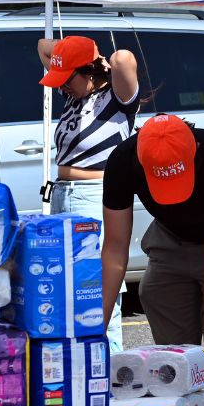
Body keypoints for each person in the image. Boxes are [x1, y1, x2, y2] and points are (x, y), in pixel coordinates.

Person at [100, 113, 204, 393]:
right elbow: (115, 251)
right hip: (170, 235)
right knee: (172, 368)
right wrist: (97, 329)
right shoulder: (123, 160)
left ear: (194, 152)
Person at [37, 35, 141, 353]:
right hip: (62, 196)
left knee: (96, 289)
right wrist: (69, 59)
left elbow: (124, 58)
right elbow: (44, 45)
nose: (61, 87)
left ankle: (109, 368)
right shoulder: (74, 96)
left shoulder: (119, 97)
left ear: (91, 72)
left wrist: (98, 59)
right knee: (64, 290)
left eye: (67, 80)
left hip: (96, 197)